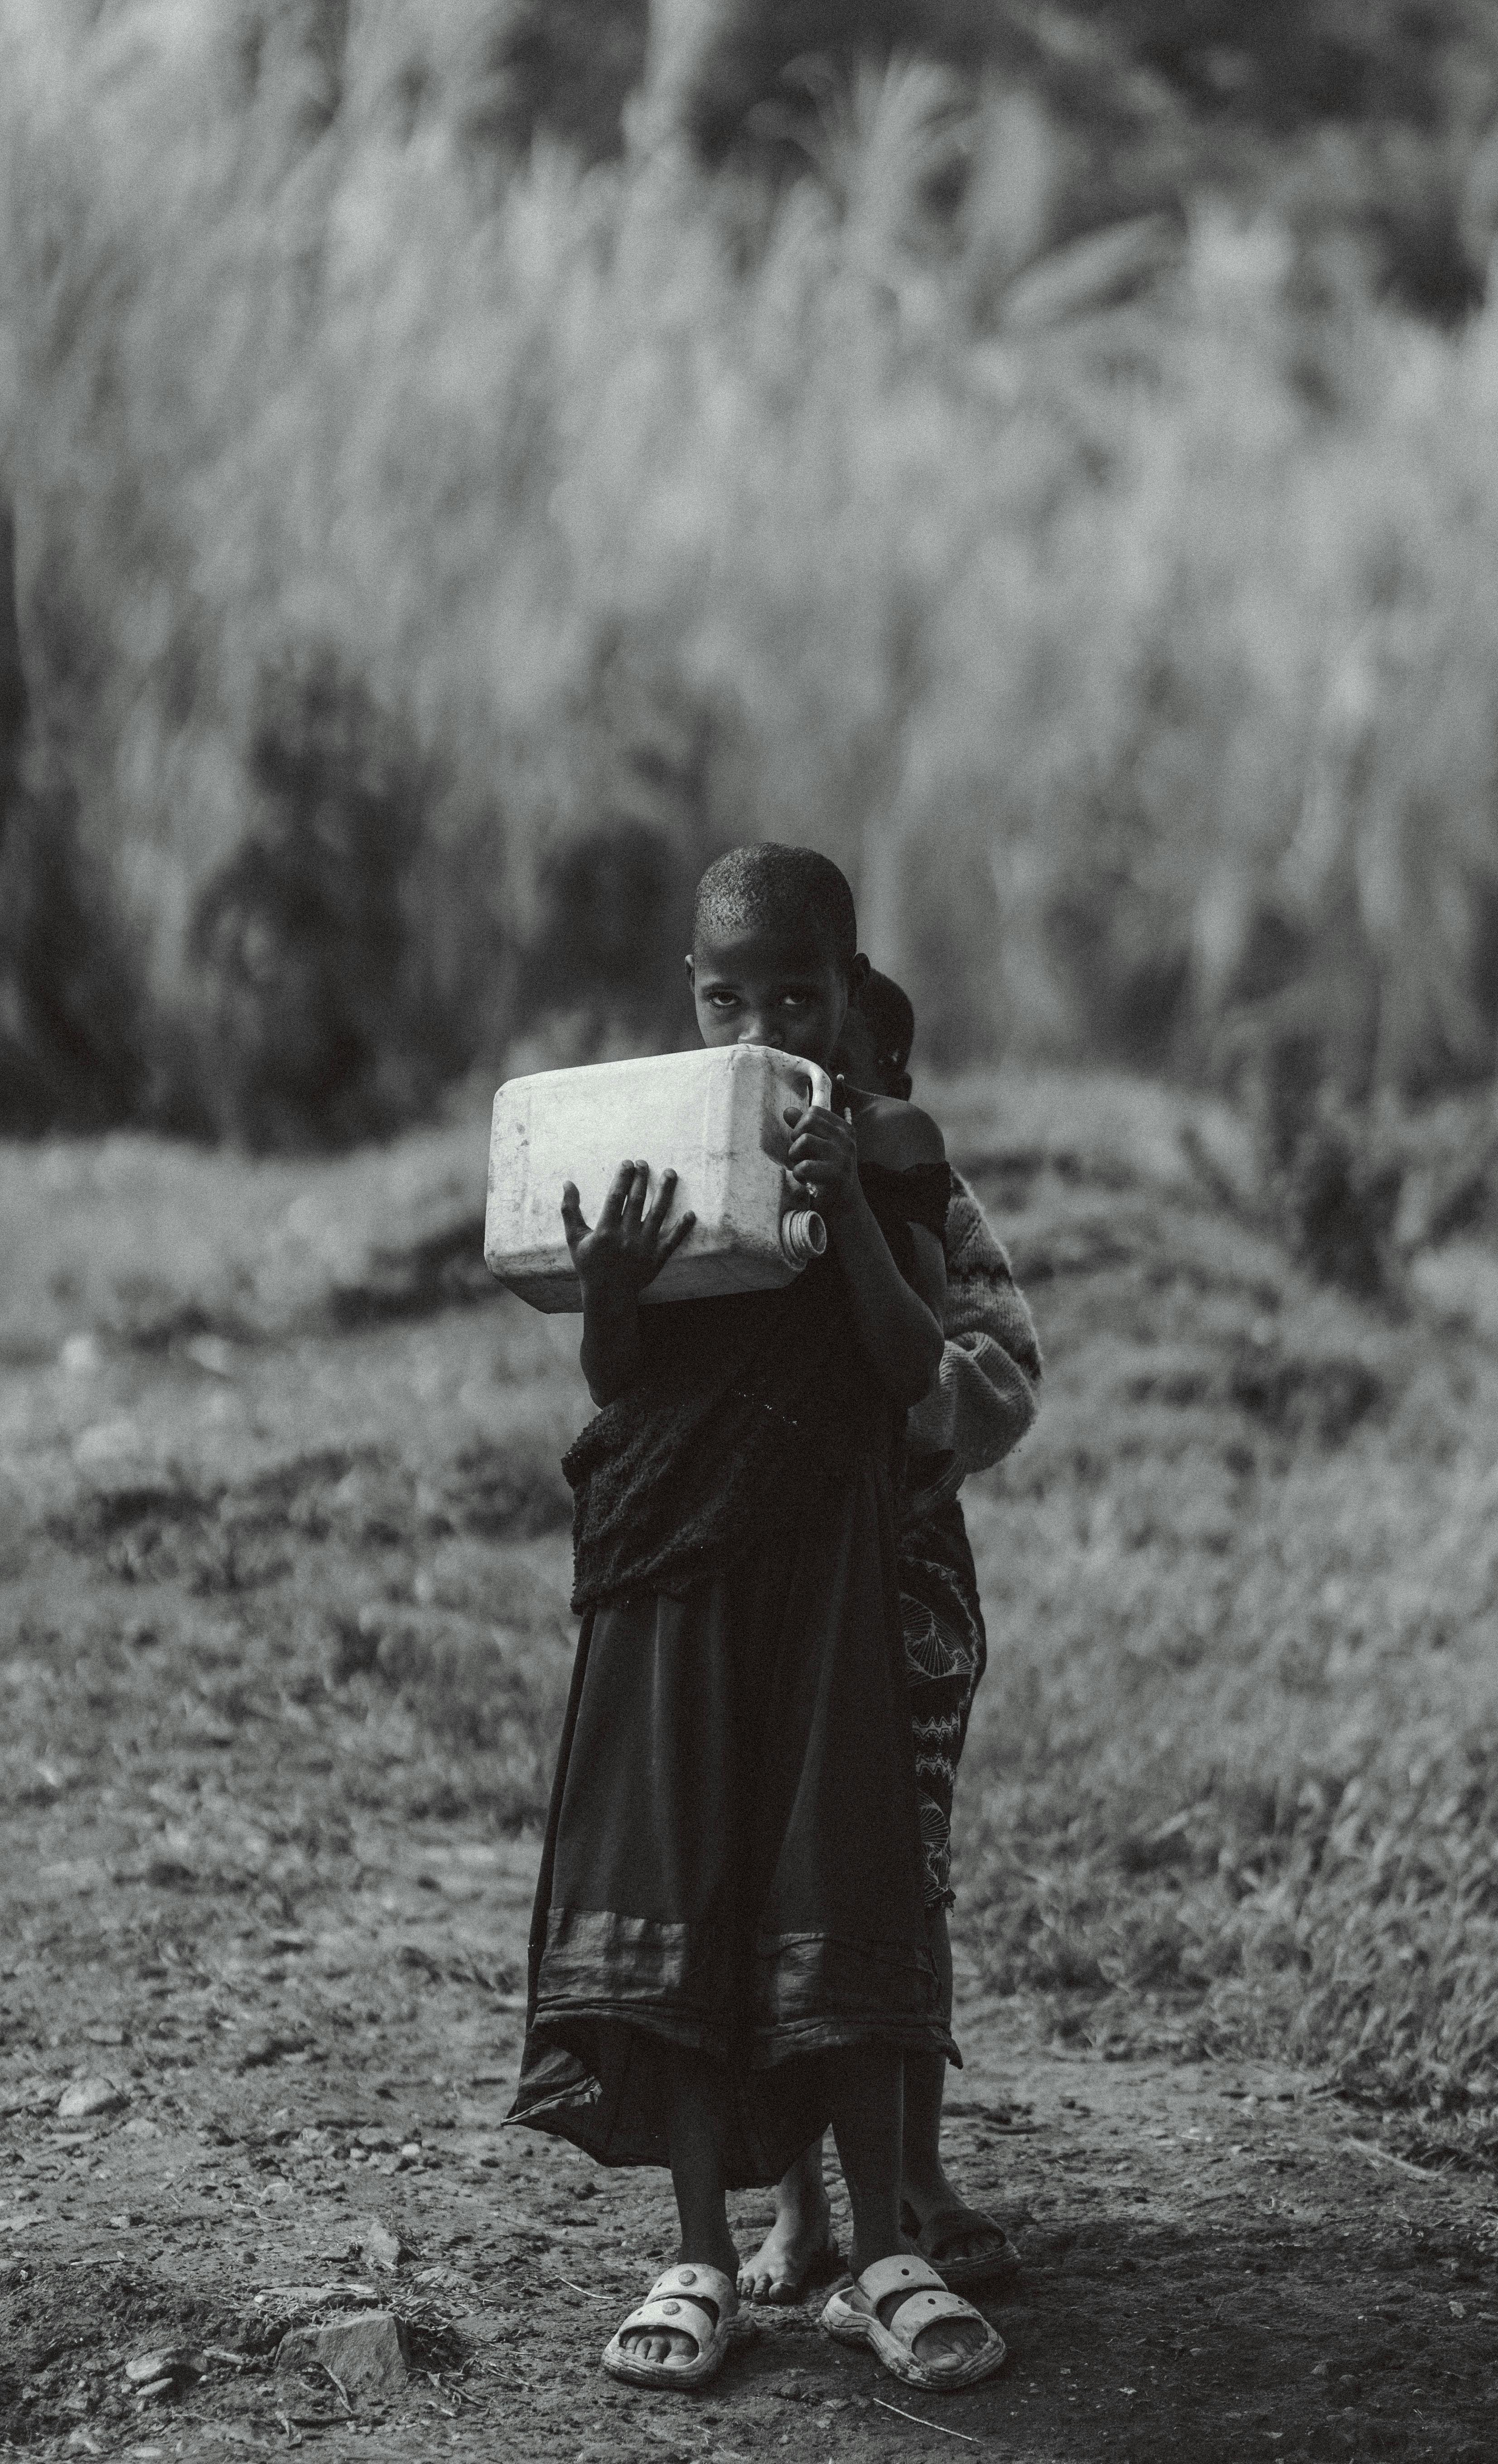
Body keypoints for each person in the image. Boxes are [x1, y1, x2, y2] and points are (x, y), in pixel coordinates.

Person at [509, 845, 1008, 2397]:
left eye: (797, 992)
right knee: (688, 1890)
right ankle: (700, 2256)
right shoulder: (656, 1144)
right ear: (693, 998)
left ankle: (885, 2253)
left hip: (830, 1577)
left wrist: (848, 1204)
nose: (760, 1025)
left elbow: (908, 1354)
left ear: (850, 996)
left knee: (839, 1881)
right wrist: (611, 1285)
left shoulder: (893, 1142)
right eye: (729, 996)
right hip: (671, 1580)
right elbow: (621, 1383)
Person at [739, 970, 1041, 2315]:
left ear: (894, 1081)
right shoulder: (731, 1178)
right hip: (771, 1577)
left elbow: (997, 1369)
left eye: (837, 1076)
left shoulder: (920, 1189)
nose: (806, 1098)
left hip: (906, 1584)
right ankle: (800, 2208)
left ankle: (912, 2183)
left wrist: (905, 1415)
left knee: (905, 1876)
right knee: (769, 1883)